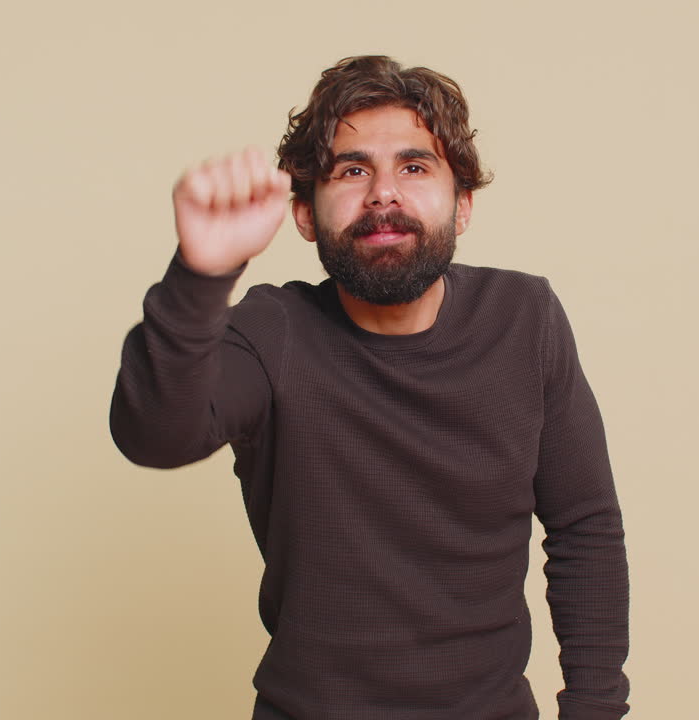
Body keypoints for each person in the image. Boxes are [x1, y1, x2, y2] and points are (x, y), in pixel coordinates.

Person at [109, 55, 629, 720]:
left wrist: (595, 711)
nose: (383, 193)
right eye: (352, 171)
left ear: (462, 205)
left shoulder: (524, 319)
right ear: (303, 214)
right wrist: (198, 276)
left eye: (414, 167)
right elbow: (154, 435)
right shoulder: (273, 330)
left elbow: (584, 526)